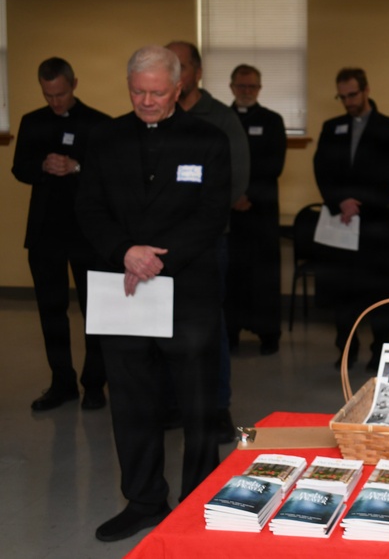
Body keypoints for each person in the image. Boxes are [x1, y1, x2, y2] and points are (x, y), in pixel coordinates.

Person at [76, 45, 231, 542]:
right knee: (131, 401)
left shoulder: (208, 138)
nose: (146, 101)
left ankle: (199, 502)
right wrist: (126, 251)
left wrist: (154, 259)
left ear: (178, 88)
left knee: (198, 404)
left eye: (156, 92)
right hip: (123, 288)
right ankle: (143, 501)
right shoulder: (103, 139)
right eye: (137, 92)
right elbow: (88, 209)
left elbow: (212, 214)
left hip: (186, 291)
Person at [12, 57, 110, 411]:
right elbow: (18, 167)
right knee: (51, 311)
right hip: (45, 233)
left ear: (74, 84)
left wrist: (76, 167)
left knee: (95, 311)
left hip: (88, 233)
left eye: (61, 94)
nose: (55, 102)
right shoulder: (32, 122)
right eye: (48, 95)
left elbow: (111, 174)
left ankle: (95, 384)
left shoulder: (99, 125)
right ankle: (62, 382)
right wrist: (41, 166)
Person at [166, 41, 250, 444]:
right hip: (159, 246)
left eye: (178, 66)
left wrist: (191, 225)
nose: (172, 73)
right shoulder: (157, 115)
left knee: (208, 325)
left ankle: (217, 406)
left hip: (205, 242)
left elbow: (235, 182)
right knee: (164, 325)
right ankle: (174, 403)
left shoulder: (220, 119)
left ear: (196, 72)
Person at [313, 67, 389, 370]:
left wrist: (361, 203)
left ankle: (380, 351)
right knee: (343, 290)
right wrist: (339, 201)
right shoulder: (332, 127)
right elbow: (321, 169)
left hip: (376, 222)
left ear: (366, 90)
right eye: (342, 96)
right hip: (342, 221)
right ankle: (346, 349)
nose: (348, 101)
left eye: (352, 95)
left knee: (379, 290)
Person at [226, 64, 287, 356]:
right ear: (231, 87)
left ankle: (268, 334)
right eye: (241, 86)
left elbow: (273, 165)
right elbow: (218, 163)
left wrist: (246, 194)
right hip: (228, 214)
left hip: (261, 210)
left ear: (259, 89)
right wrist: (233, 196)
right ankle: (229, 332)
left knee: (263, 275)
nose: (246, 92)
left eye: (252, 87)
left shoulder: (272, 120)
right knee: (231, 275)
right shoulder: (222, 120)